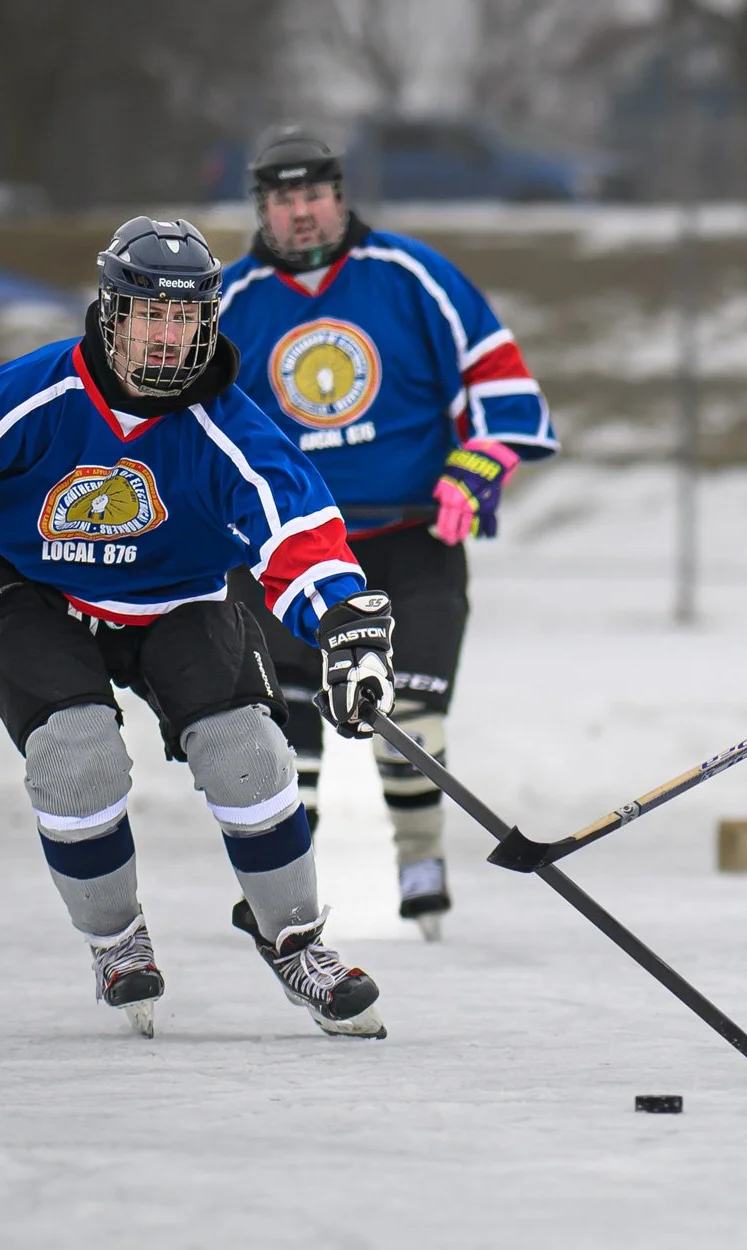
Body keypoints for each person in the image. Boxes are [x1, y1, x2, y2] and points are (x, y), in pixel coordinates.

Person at [0, 216, 397, 1040]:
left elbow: (294, 529)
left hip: (181, 598)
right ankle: (117, 939)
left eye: (184, 317)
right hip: (38, 593)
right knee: (75, 754)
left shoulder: (225, 425)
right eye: (149, 315)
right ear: (112, 314)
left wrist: (343, 625)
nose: (167, 336)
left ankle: (294, 940)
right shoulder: (34, 394)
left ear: (208, 321)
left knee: (250, 753)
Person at [218, 125, 559, 940]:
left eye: (313, 194)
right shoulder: (229, 302)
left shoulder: (410, 275)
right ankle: (283, 889)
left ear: (339, 195)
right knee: (281, 734)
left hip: (412, 545)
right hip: (293, 554)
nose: (301, 213)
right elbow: (186, 429)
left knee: (412, 723)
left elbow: (503, 386)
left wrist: (482, 457)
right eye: (282, 198)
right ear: (262, 207)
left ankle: (420, 862)